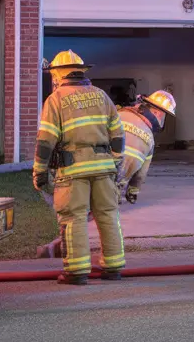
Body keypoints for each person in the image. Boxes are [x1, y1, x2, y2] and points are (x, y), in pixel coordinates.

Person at [33, 50, 127, 285]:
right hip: (104, 169)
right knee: (108, 215)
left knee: (73, 218)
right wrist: (115, 162)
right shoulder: (101, 96)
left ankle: (76, 271)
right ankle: (114, 268)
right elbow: (118, 134)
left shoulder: (55, 99)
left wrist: (40, 172)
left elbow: (45, 142)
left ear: (59, 74)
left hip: (73, 172)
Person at [116, 89, 177, 205]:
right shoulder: (149, 139)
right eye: (163, 115)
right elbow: (141, 174)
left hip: (92, 173)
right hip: (115, 185)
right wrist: (133, 191)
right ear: (157, 113)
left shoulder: (120, 114)